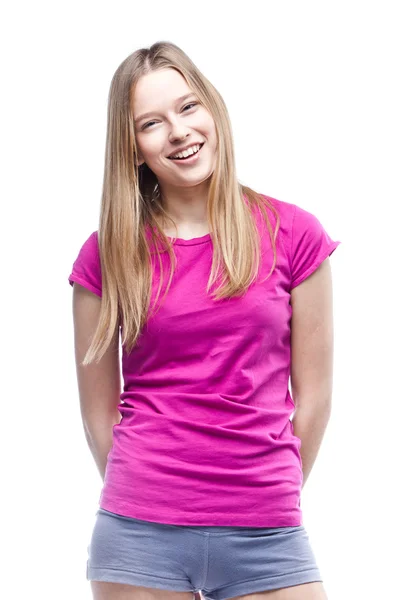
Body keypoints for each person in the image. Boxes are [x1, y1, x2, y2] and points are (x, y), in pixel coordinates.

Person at [68, 41, 340, 600]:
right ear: (134, 149)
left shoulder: (295, 235)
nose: (178, 131)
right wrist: (149, 490)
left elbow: (313, 397)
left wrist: (271, 490)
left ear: (213, 110)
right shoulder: (107, 253)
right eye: (152, 122)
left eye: (189, 107)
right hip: (139, 535)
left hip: (268, 530)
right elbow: (98, 413)